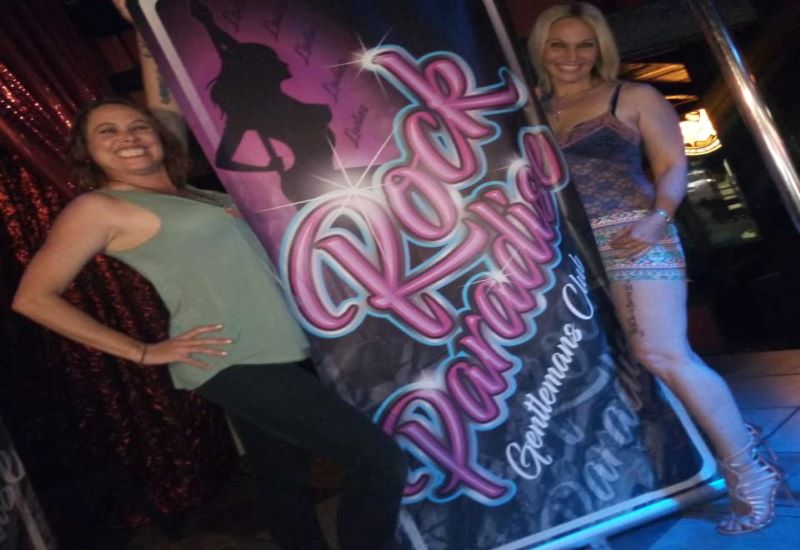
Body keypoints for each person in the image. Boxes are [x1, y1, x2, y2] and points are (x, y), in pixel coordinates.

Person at [11, 3, 406, 550]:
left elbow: (164, 102)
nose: (129, 137)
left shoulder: (189, 191)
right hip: (232, 357)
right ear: (88, 151)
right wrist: (142, 352)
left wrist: (145, 19)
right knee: (379, 460)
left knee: (281, 479)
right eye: (108, 131)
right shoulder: (99, 208)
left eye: (138, 127)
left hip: (284, 346)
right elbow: (33, 297)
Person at [528, 2, 786, 535]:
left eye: (585, 44)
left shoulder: (632, 96)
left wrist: (657, 218)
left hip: (635, 233)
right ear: (541, 48)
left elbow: (672, 165)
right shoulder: (531, 107)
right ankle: (721, 451)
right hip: (566, 250)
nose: (572, 56)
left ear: (600, 48)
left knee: (663, 353)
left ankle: (749, 474)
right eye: (559, 44)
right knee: (616, 365)